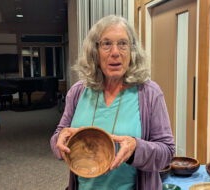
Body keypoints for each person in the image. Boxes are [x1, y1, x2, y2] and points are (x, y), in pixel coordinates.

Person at [50, 15, 175, 190]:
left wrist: (136, 148)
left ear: (132, 51)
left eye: (123, 43)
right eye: (106, 44)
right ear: (95, 51)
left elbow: (167, 152)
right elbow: (58, 137)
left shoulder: (149, 93)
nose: (115, 52)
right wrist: (59, 141)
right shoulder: (78, 92)